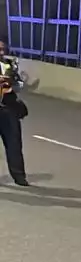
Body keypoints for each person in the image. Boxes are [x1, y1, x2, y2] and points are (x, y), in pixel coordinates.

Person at [0, 40, 28, 187]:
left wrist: (13, 85)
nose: (2, 52)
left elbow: (19, 84)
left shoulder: (9, 65)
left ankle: (19, 176)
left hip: (8, 109)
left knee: (14, 144)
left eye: (3, 49)